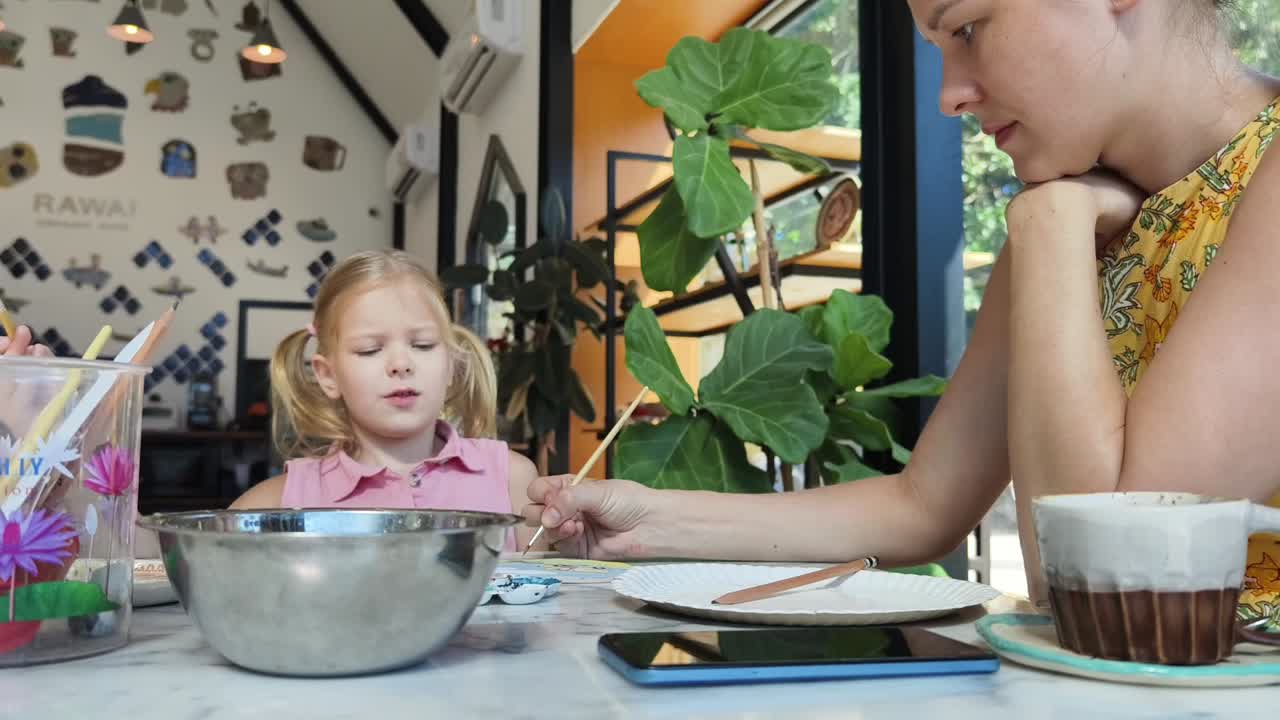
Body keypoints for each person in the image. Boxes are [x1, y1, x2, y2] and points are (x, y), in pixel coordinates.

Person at [524, 0, 1280, 613]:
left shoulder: (1067, 219)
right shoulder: (1065, 211)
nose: (948, 94)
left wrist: (1048, 232)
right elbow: (923, 506)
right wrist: (644, 523)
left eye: (968, 29)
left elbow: (1107, 576)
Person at [232, 250, 541, 550]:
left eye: (422, 345)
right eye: (369, 349)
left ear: (451, 365)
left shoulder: (514, 481)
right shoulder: (276, 505)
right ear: (328, 376)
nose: (401, 364)